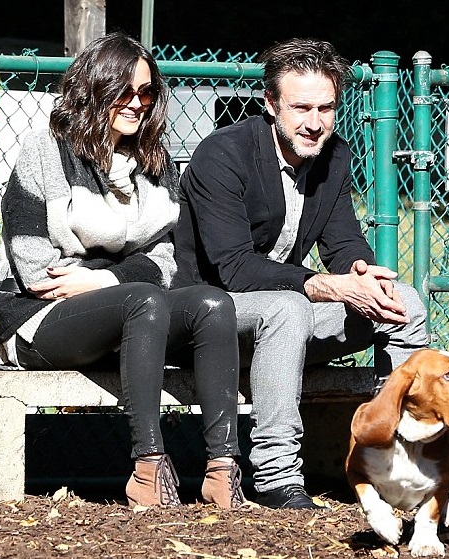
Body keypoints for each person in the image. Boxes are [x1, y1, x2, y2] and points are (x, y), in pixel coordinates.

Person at [0, 32, 245, 509]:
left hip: (124, 310)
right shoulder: (44, 149)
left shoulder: (155, 161)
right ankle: (148, 468)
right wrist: (129, 275)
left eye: (147, 93)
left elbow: (168, 258)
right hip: (34, 318)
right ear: (95, 89)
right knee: (143, 299)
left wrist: (104, 277)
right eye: (124, 92)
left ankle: (222, 471)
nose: (137, 104)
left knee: (213, 305)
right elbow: (33, 265)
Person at [172, 38, 429, 509]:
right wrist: (322, 285)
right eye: (301, 107)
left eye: (327, 108)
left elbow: (343, 240)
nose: (315, 123)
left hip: (284, 318)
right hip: (209, 318)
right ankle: (276, 477)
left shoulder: (333, 156)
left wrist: (362, 273)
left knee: (405, 302)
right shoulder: (222, 155)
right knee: (289, 307)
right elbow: (232, 268)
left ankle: (401, 462)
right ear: (271, 103)